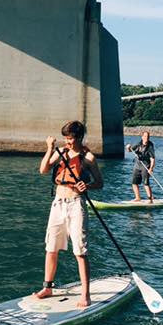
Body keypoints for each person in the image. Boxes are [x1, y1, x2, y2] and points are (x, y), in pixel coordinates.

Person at [35, 120, 104, 308]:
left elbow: (99, 183)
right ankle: (47, 287)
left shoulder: (88, 157)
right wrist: (49, 148)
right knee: (51, 247)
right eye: (66, 138)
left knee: (80, 251)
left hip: (76, 204)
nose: (68, 142)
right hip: (58, 204)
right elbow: (43, 169)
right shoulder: (61, 153)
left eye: (71, 138)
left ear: (79, 137)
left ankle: (85, 294)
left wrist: (87, 185)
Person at [126, 131, 156, 202]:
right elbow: (130, 150)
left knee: (146, 183)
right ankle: (138, 198)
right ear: (142, 137)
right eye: (145, 136)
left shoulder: (150, 147)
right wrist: (128, 147)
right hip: (137, 166)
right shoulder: (138, 144)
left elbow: (152, 159)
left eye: (148, 137)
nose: (146, 138)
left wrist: (151, 169)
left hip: (145, 166)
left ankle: (150, 198)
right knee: (134, 183)